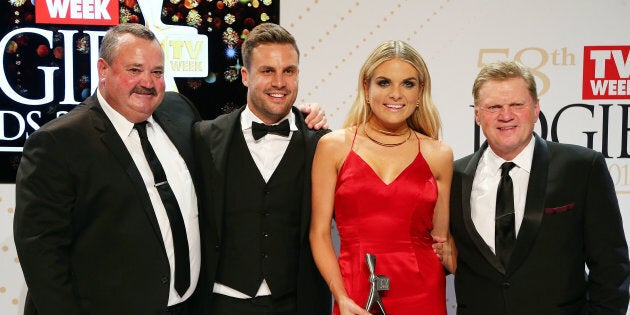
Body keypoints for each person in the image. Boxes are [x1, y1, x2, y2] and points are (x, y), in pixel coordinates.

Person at [13, 23, 326, 315]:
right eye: (134, 70)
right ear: (103, 70)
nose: (147, 83)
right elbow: (42, 257)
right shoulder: (58, 142)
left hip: (190, 306)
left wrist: (298, 115)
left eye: (157, 71)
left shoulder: (178, 113)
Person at [448, 60, 630, 314]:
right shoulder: (453, 177)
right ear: (477, 114)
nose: (506, 115)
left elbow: (612, 267)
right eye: (494, 107)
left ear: (536, 109)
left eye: (517, 105)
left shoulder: (581, 168)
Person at [193, 23, 331, 314]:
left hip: (297, 304)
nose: (279, 82)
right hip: (221, 303)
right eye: (267, 71)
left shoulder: (323, 143)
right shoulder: (203, 138)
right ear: (245, 76)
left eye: (289, 71)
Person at [309, 40, 453, 315]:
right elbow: (319, 234)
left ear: (421, 91)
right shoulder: (333, 147)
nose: (396, 94)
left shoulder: (439, 154)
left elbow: (441, 240)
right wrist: (341, 297)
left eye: (408, 84)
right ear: (366, 87)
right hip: (355, 293)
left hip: (422, 294)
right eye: (384, 82)